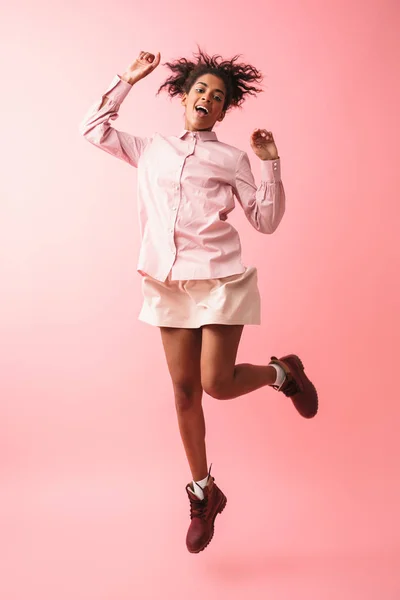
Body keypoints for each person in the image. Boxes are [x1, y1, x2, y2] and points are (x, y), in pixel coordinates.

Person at [79, 48, 318, 554]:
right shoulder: (150, 148)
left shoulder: (231, 158)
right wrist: (127, 79)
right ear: (183, 97)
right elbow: (93, 129)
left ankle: (284, 373)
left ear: (224, 110)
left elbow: (266, 220)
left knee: (217, 384)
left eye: (218, 96)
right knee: (185, 393)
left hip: (219, 280)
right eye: (200, 90)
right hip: (168, 284)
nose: (207, 98)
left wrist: (271, 164)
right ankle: (203, 492)